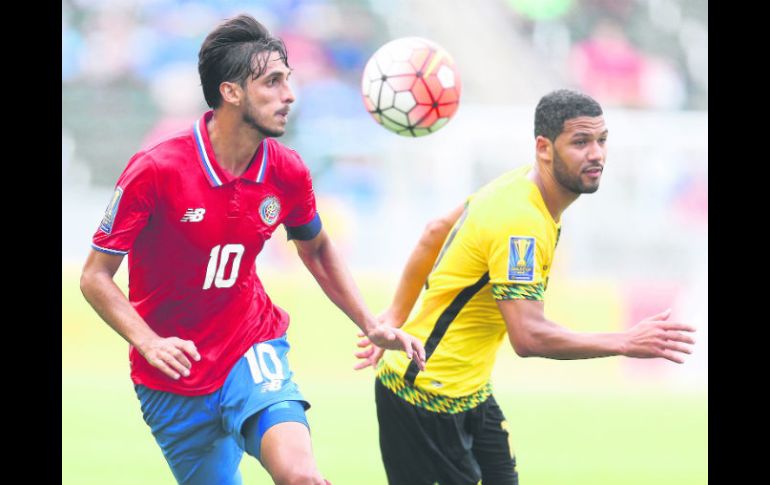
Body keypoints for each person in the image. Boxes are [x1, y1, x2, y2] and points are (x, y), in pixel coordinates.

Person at [80, 14, 425, 485]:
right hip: (173, 374)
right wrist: (149, 341)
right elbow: (95, 275)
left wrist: (370, 323)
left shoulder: (287, 170)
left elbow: (317, 249)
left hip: (250, 347)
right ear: (231, 92)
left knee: (302, 476)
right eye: (273, 82)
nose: (290, 95)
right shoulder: (156, 169)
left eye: (288, 79)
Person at [354, 89, 696, 485]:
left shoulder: (520, 185)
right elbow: (529, 336)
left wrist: (396, 314)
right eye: (580, 142)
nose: (597, 154)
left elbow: (435, 231)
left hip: (470, 392)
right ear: (544, 148)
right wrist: (624, 341)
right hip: (425, 398)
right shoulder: (521, 221)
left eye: (602, 140)